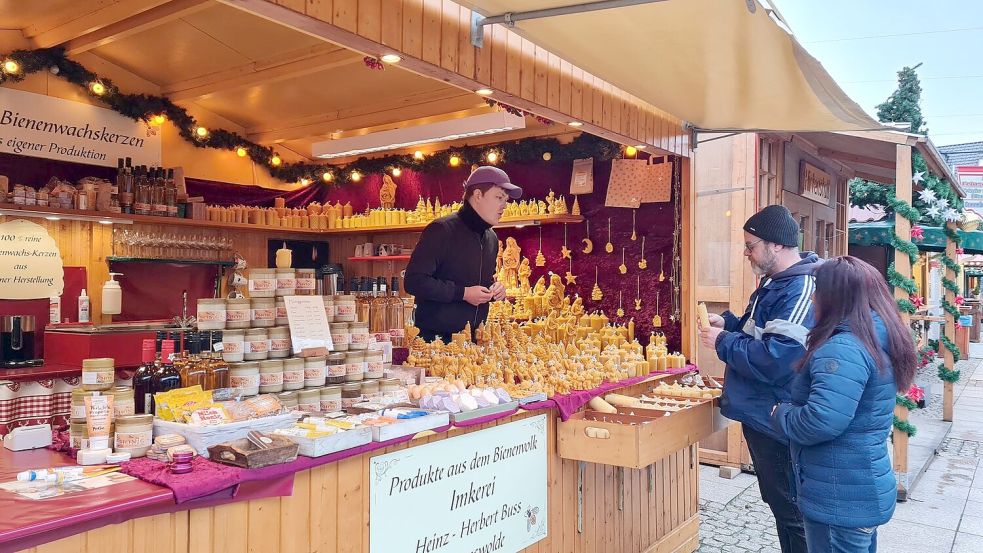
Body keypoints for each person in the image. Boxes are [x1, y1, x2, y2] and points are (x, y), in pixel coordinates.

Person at [770, 256, 915, 553]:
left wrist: (780, 413)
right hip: (856, 487)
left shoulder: (843, 348)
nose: (812, 298)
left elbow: (820, 421)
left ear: (834, 297)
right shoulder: (876, 336)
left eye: (817, 290)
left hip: (839, 495)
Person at [699, 204, 820, 553]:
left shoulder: (799, 288)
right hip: (764, 411)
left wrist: (723, 342)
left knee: (792, 509)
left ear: (776, 245)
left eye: (751, 245)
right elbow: (761, 336)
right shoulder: (776, 283)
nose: (746, 252)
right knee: (782, 505)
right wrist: (731, 324)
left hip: (777, 413)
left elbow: (777, 359)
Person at [405, 166, 523, 343]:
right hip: (436, 343)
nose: (504, 205)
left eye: (506, 200)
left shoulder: (491, 238)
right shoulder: (442, 230)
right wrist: (463, 293)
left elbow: (480, 281)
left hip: (475, 341)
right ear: (477, 195)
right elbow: (414, 281)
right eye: (499, 197)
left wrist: (495, 289)